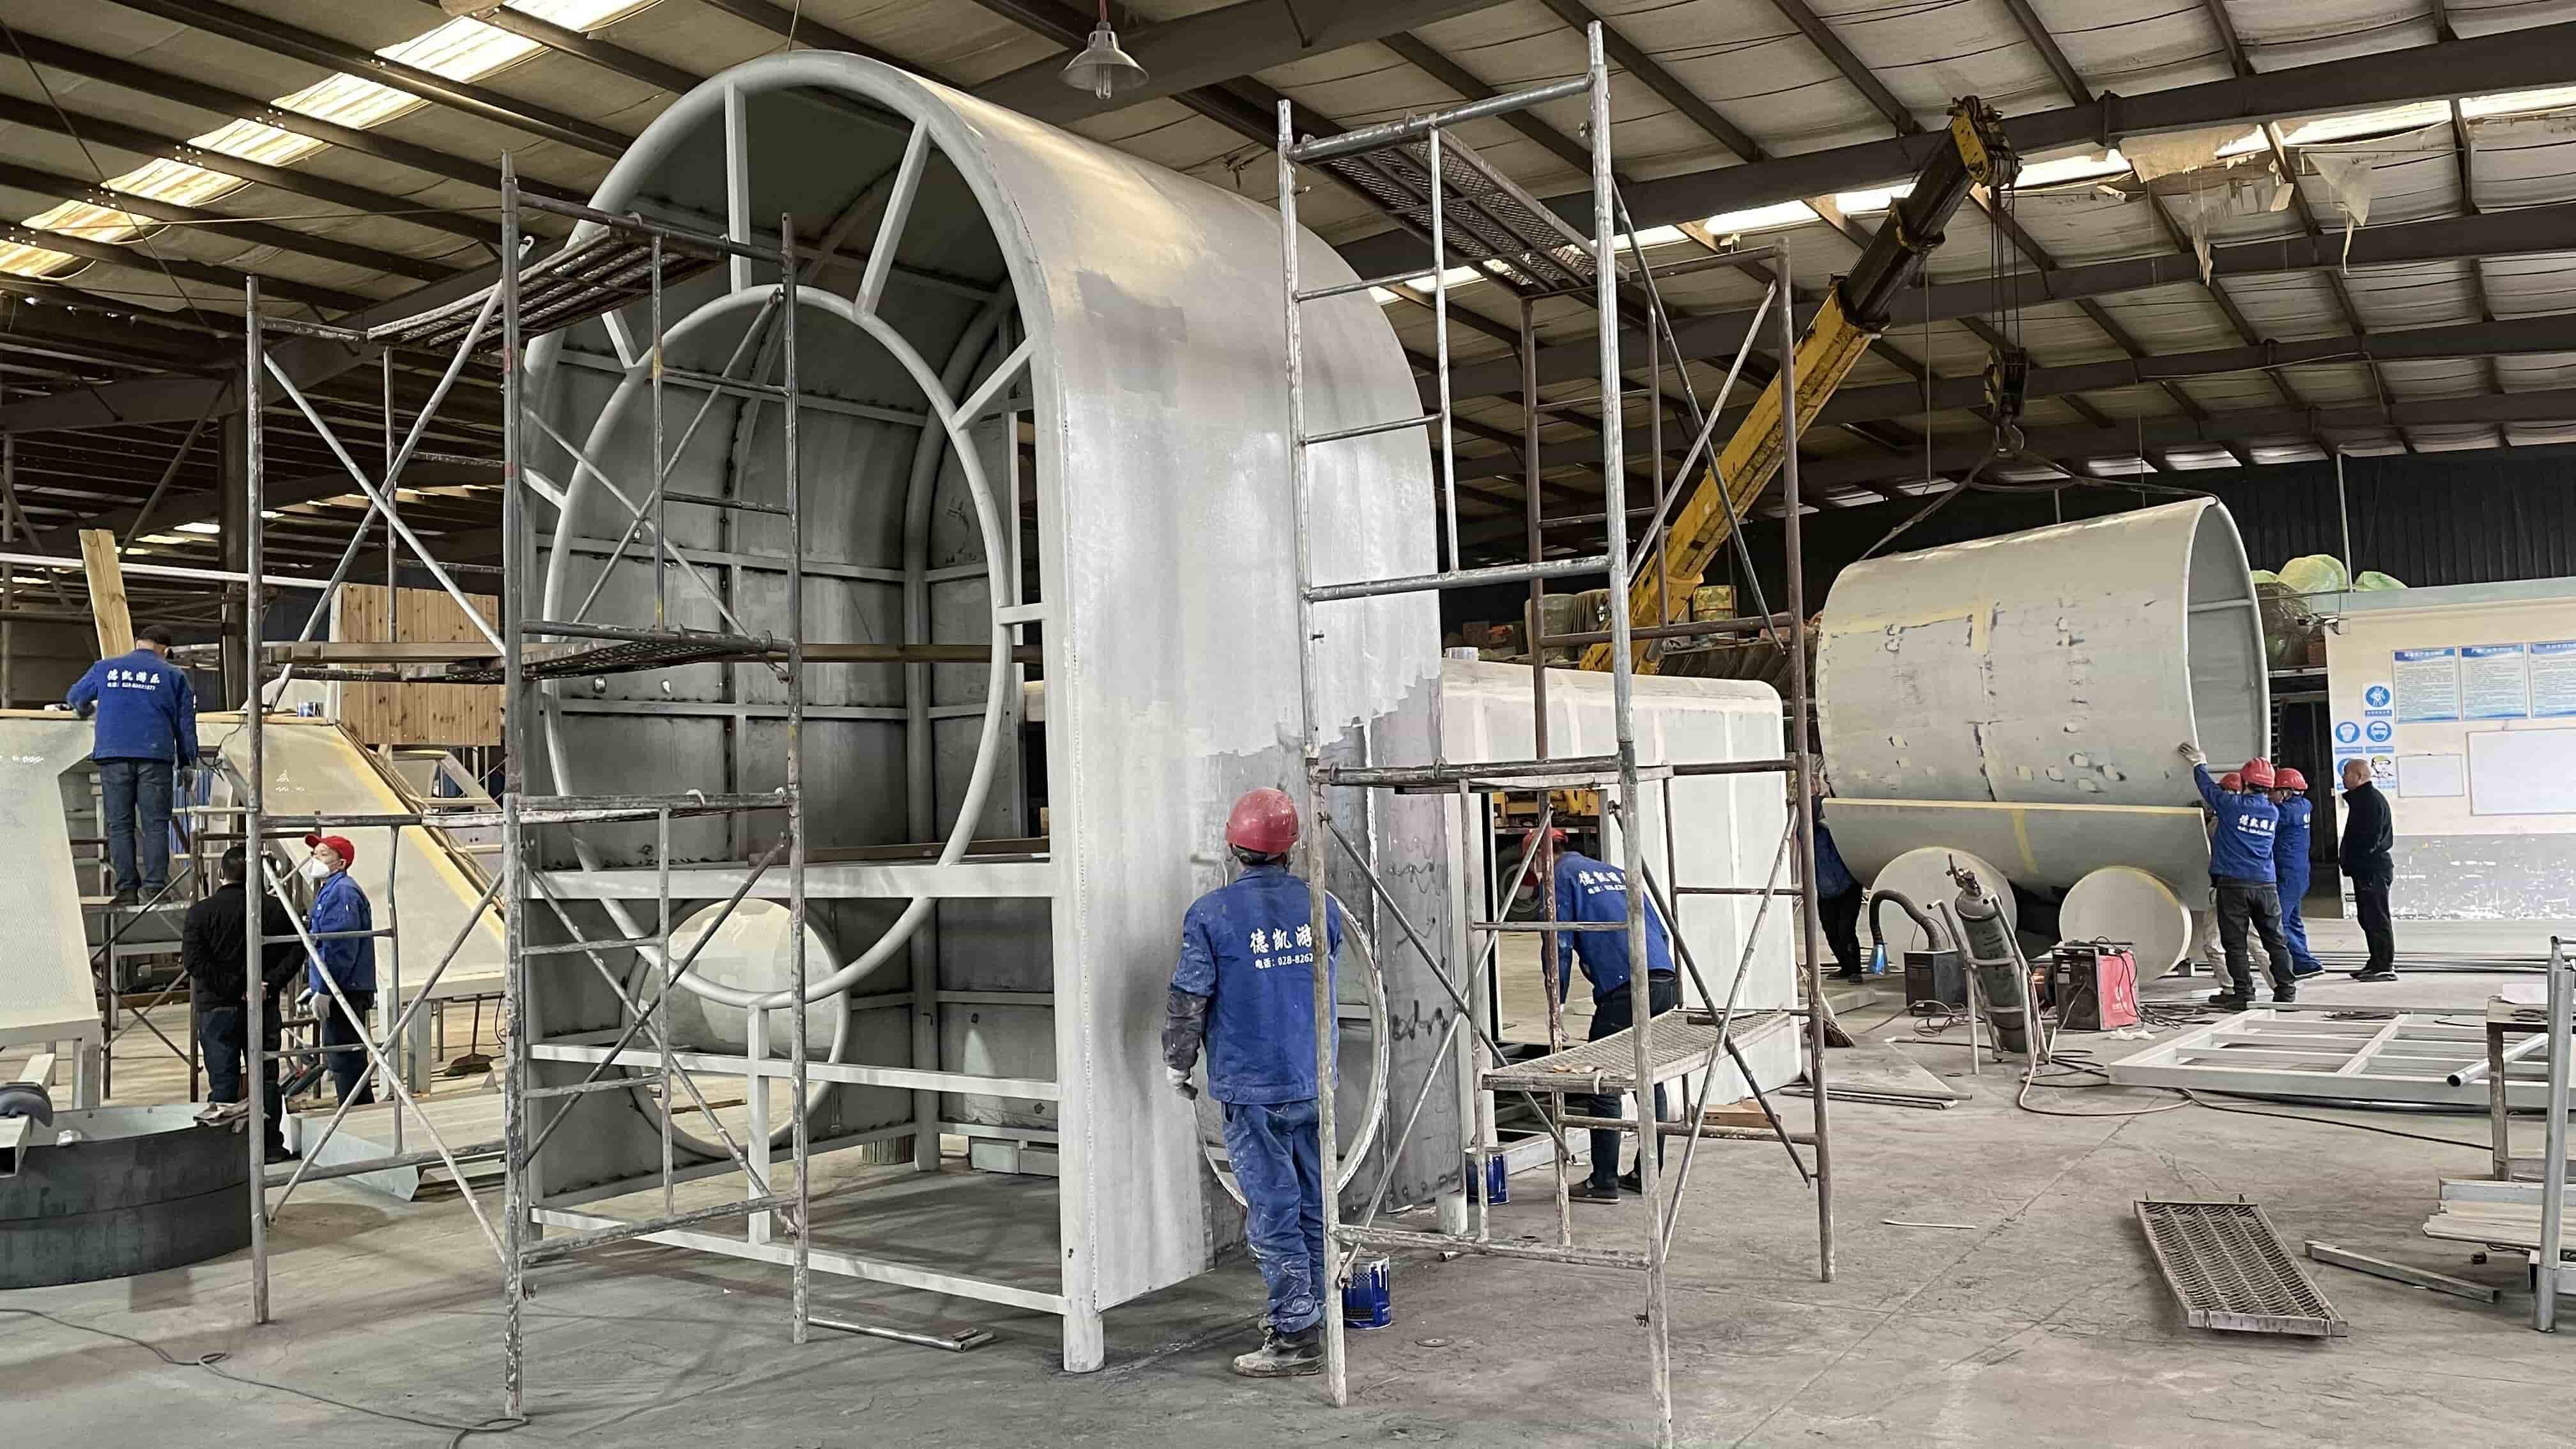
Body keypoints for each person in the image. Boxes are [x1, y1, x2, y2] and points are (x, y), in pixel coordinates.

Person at [1163, 787, 1344, 1379]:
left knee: (1273, 1212)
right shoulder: (1322, 906)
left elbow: (1190, 998)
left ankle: (1295, 1338)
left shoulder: (1211, 914)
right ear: (1290, 848)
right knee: (1314, 1201)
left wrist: (1178, 1065)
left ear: (1233, 846)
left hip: (1254, 1090)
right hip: (1313, 1082)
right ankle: (1319, 1314)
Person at [1528, 826, 1679, 1204]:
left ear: (1538, 858)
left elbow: (1558, 942)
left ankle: (1604, 1181)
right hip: (1663, 977)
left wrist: (1556, 1004)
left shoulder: (1559, 878)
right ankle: (1647, 1175)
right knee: (1650, 1080)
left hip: (1624, 987)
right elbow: (1660, 932)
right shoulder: (1616, 873)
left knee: (1602, 1081)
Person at [59, 624, 199, 905]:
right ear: (166, 651)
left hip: (114, 755)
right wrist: (187, 762)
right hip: (155, 758)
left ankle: (126, 891)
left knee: (119, 825)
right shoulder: (174, 676)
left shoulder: (105, 668)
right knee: (155, 825)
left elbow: (75, 697)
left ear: (137, 642)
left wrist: (88, 710)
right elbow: (185, 725)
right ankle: (154, 889)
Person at [183, 845, 304, 1162]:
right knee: (265, 1079)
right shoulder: (276, 909)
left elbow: (194, 962)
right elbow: (298, 949)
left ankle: (227, 1154)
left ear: (220, 874)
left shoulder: (201, 913)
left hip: (217, 1008)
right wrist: (266, 984)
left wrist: (235, 988)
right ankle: (269, 1147)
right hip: (263, 1005)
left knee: (223, 1082)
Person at [2178, 744, 2294, 1009]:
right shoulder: (2273, 812)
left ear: (2245, 782)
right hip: (2266, 885)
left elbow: (2208, 788)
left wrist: (2199, 764)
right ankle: (2286, 991)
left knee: (2236, 944)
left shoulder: (2231, 806)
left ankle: (2243, 994)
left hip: (2234, 885)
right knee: (2275, 941)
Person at [302, 832, 378, 1107]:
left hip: (344, 987)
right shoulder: (331, 889)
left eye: (323, 855)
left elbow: (340, 947)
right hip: (340, 985)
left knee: (346, 1059)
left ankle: (357, 1115)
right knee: (344, 1057)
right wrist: (315, 985)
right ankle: (358, 1111)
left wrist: (325, 988)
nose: (315, 859)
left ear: (341, 863)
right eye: (314, 854)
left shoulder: (342, 892)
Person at [2340, 757, 2398, 981]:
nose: (2343, 777)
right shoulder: (2362, 800)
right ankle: (2376, 962)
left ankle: (2384, 965)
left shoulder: (2370, 802)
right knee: (2367, 917)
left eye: (2346, 773)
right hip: (2365, 869)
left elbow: (2369, 840)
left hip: (2372, 869)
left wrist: (2357, 860)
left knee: (2377, 917)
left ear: (2359, 776)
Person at [2269, 767, 2324, 979]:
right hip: (2297, 873)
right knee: (2292, 920)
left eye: (2272, 791)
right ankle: (2303, 962)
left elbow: (2264, 814)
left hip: (2287, 874)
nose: (2269, 795)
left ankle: (2304, 963)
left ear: (2287, 792)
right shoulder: (2303, 806)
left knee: (2278, 920)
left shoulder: (2287, 811)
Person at [1813, 781, 1865, 983]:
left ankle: (1855, 970)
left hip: (1848, 887)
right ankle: (1845, 967)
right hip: (1826, 890)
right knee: (1831, 931)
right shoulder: (1810, 833)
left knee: (1846, 930)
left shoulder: (1838, 830)